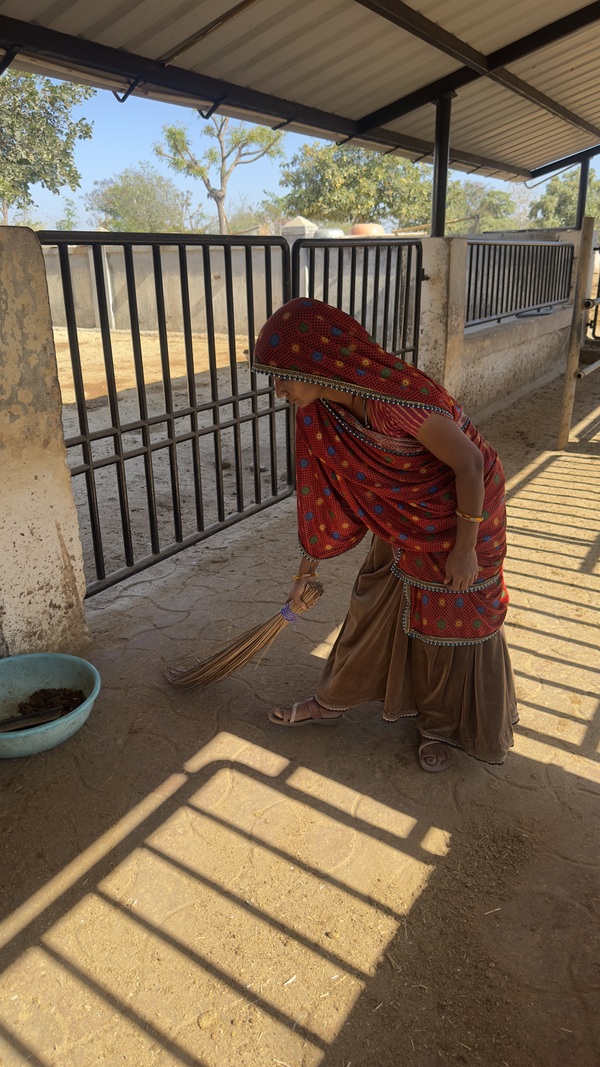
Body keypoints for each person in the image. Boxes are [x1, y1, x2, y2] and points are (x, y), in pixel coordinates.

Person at [252, 298, 518, 771]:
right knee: (374, 600)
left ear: (316, 369)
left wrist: (463, 549)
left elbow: (470, 464)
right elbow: (326, 497)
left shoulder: (398, 405)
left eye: (282, 377)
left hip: (465, 513)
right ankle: (330, 700)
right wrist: (304, 572)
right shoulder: (323, 415)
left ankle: (439, 726)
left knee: (448, 624)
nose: (278, 391)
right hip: (402, 516)